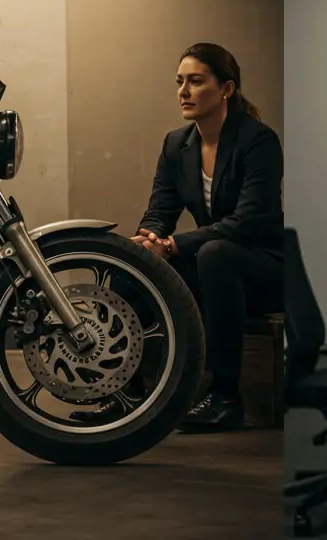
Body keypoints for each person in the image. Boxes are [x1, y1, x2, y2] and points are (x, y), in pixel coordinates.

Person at [74, 43, 284, 432]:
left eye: (196, 81)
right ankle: (127, 396)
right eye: (179, 82)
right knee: (130, 265)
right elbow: (160, 210)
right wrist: (150, 240)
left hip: (264, 268)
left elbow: (247, 223)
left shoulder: (258, 141)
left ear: (226, 89)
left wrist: (173, 246)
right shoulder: (177, 145)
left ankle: (225, 401)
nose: (183, 91)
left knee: (216, 254)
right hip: (213, 263)